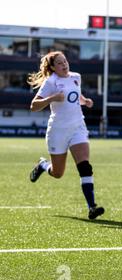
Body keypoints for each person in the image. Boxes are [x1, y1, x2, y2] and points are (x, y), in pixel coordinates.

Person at [27, 51, 104, 220]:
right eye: (60, 63)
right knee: (57, 173)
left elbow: (74, 96)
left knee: (85, 166)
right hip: (58, 130)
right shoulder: (51, 81)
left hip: (78, 127)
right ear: (53, 67)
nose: (64, 65)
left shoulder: (76, 76)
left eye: (65, 61)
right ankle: (42, 165)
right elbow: (34, 106)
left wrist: (85, 101)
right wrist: (52, 97)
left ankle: (92, 207)